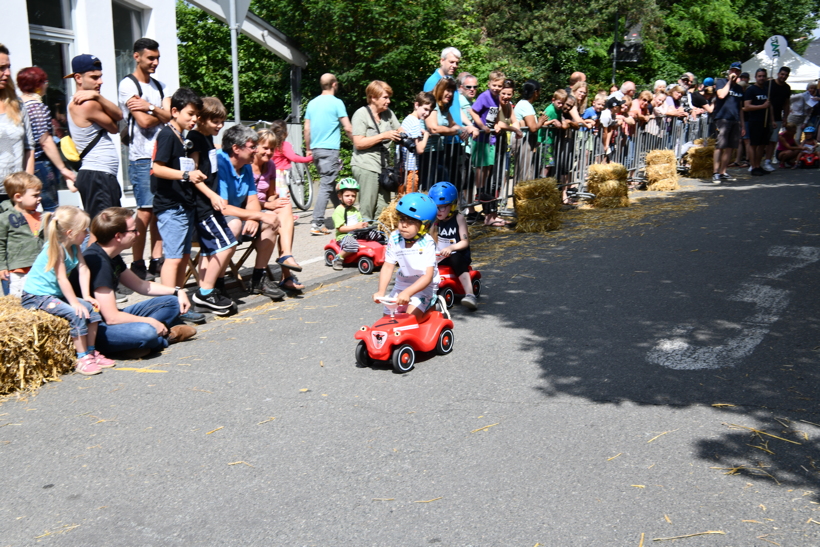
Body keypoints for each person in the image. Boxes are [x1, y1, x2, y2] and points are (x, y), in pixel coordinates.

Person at [76, 207, 196, 358]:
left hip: (111, 320)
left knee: (172, 302)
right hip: (96, 330)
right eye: (134, 230)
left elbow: (140, 285)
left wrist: (177, 291)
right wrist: (150, 321)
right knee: (146, 332)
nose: (138, 234)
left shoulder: (111, 254)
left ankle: (135, 346)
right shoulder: (98, 263)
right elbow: (112, 317)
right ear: (118, 236)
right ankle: (164, 339)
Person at [21, 206, 111, 376]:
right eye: (84, 229)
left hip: (53, 294)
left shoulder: (75, 247)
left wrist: (86, 296)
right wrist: (75, 303)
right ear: (70, 232)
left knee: (93, 309)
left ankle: (91, 352)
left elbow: (83, 269)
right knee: (76, 313)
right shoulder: (55, 248)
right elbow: (62, 278)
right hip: (36, 296)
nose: (87, 233)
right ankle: (82, 358)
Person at [118, 38, 171, 281]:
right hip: (142, 157)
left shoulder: (159, 86)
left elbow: (170, 115)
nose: (155, 62)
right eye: (151, 58)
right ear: (136, 56)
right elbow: (145, 122)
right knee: (146, 211)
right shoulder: (128, 85)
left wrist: (149, 106)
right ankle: (137, 262)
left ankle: (156, 260)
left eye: (157, 58)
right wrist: (159, 112)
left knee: (159, 210)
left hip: (162, 156)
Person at [216, 124, 284, 300]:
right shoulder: (221, 163)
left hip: (238, 215)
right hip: (215, 218)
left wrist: (255, 218)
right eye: (252, 146)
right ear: (236, 149)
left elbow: (253, 200)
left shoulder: (245, 165)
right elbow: (223, 208)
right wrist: (256, 215)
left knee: (271, 220)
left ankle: (258, 278)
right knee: (235, 224)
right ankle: (217, 283)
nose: (255, 150)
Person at [186, 96, 240, 309]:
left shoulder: (207, 137)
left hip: (211, 202)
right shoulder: (195, 138)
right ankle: (205, 292)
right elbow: (193, 173)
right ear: (200, 119)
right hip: (204, 205)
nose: (219, 126)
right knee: (227, 244)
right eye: (215, 122)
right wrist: (211, 195)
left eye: (221, 122)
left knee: (209, 250)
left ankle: (207, 289)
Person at [65, 54, 124, 219]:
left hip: (100, 175)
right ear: (78, 78)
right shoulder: (87, 104)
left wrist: (97, 97)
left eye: (100, 76)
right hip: (97, 175)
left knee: (107, 228)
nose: (100, 82)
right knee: (103, 230)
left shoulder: (88, 101)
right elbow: (116, 122)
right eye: (94, 77)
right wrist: (98, 97)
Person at [252, 125, 306, 292]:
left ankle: (286, 256)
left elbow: (270, 194)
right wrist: (268, 205)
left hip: (263, 208)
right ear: (255, 147)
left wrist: (274, 201)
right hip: (248, 209)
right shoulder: (245, 165)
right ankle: (286, 273)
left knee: (284, 206)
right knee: (278, 215)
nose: (269, 152)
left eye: (272, 149)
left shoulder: (270, 166)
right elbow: (242, 199)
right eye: (265, 148)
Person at [16, 66, 76, 212]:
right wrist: (63, 169)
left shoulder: (16, 105)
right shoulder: (37, 107)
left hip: (22, 162)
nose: (46, 84)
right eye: (44, 81)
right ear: (37, 84)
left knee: (27, 206)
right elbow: (45, 141)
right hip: (40, 162)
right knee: (51, 207)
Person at [372, 192, 438, 320]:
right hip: (402, 284)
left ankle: (430, 306)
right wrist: (381, 291)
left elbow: (428, 276)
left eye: (411, 221)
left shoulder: (427, 243)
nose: (404, 224)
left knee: (410, 319)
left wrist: (408, 292)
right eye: (402, 219)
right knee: (388, 318)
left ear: (425, 225)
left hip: (424, 286)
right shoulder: (395, 237)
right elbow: (388, 266)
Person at [304, 74, 353, 236]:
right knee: (326, 185)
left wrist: (308, 149)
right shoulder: (337, 103)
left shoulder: (312, 103)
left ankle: (342, 216)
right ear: (334, 84)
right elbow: (347, 127)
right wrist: (356, 142)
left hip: (316, 149)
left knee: (330, 184)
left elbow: (307, 129)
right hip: (330, 149)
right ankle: (317, 223)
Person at [351, 80, 402, 221]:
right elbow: (358, 143)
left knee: (383, 207)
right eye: (385, 97)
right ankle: (363, 237)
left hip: (384, 168)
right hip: (365, 165)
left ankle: (378, 236)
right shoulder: (361, 114)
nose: (389, 101)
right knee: (368, 207)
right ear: (373, 97)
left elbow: (400, 130)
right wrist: (383, 136)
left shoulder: (388, 113)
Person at [429, 181, 476, 310]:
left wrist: (451, 248)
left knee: (455, 257)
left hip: (458, 254)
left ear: (452, 205)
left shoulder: (458, 218)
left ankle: (470, 294)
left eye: (442, 207)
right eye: (436, 207)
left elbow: (465, 242)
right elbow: (431, 238)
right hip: (441, 256)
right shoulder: (435, 220)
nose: (438, 211)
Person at [0, 44, 35, 204]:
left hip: (16, 194)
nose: (7, 73)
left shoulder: (17, 104)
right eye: (1, 68)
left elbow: (29, 147)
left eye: (8, 67)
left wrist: (27, 186)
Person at [469, 71, 506, 216]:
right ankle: (479, 191)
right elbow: (473, 112)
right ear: (489, 84)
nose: (496, 88)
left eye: (499, 86)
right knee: (481, 166)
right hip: (481, 137)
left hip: (491, 138)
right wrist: (481, 126)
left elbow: (495, 115)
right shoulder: (484, 96)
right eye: (494, 85)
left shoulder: (497, 98)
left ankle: (483, 190)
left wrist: (496, 124)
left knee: (489, 166)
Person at [0, 172, 43, 296]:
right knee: (19, 304)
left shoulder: (43, 217)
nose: (39, 198)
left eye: (39, 194)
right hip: (17, 273)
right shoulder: (5, 218)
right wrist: (2, 266)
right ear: (18, 197)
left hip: (40, 270)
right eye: (35, 195)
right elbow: (1, 244)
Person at [712, 62, 746, 182]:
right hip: (722, 118)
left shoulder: (739, 89)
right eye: (733, 70)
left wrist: (742, 124)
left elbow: (740, 107)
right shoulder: (721, 82)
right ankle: (715, 172)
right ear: (729, 71)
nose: (734, 73)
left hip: (735, 119)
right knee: (720, 146)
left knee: (730, 147)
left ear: (740, 73)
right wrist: (729, 82)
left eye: (737, 71)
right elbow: (721, 95)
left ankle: (723, 171)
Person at [399, 91, 433, 195]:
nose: (427, 113)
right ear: (416, 105)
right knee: (410, 195)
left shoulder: (408, 119)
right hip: (410, 168)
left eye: (430, 111)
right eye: (425, 109)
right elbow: (420, 149)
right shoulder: (415, 122)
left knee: (401, 194)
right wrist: (426, 135)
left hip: (403, 166)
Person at [330, 178, 368, 270]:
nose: (350, 198)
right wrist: (355, 227)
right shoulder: (339, 211)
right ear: (340, 196)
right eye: (347, 195)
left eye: (353, 196)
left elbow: (359, 221)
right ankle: (338, 259)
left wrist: (363, 224)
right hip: (344, 236)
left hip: (356, 233)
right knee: (352, 245)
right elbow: (340, 229)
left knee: (377, 235)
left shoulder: (354, 210)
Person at [424, 47, 464, 129]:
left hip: (455, 134)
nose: (454, 66)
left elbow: (456, 107)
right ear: (442, 61)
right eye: (451, 62)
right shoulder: (433, 82)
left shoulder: (451, 81)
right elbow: (429, 110)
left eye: (457, 63)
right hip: (443, 137)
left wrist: (468, 126)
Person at [743, 68, 773, 176]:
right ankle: (753, 166)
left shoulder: (766, 89)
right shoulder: (751, 90)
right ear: (755, 77)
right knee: (754, 145)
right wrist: (762, 106)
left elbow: (770, 106)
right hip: (754, 121)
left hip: (765, 121)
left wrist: (772, 120)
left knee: (762, 145)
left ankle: (758, 165)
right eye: (759, 76)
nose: (762, 78)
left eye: (763, 76)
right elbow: (747, 106)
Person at [763, 67, 791, 172]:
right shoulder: (769, 84)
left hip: (778, 116)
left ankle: (767, 161)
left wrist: (785, 118)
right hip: (765, 115)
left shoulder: (787, 88)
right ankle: (754, 163)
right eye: (782, 74)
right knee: (761, 140)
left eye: (786, 75)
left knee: (773, 140)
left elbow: (787, 103)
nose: (783, 77)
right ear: (778, 74)